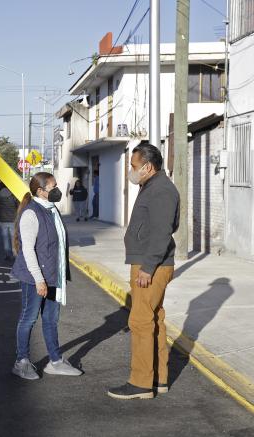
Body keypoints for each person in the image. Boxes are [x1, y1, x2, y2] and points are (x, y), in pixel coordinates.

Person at [108, 144, 179, 400]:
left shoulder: (161, 190)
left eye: (134, 166)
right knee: (154, 319)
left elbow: (162, 232)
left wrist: (148, 267)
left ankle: (140, 383)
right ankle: (158, 379)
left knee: (139, 322)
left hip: (152, 266)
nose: (131, 170)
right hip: (150, 263)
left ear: (148, 166)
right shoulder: (151, 186)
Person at [11, 172, 82, 380]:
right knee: (28, 319)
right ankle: (21, 361)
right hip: (35, 277)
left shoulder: (51, 210)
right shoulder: (31, 213)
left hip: (52, 275)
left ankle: (55, 361)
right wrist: (39, 280)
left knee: (51, 319)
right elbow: (28, 250)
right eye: (54, 187)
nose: (58, 190)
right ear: (40, 191)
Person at [0, 181, 20, 261]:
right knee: (13, 238)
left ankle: (7, 254)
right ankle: (15, 254)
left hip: (3, 220)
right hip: (13, 219)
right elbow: (18, 205)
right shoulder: (13, 196)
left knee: (5, 238)